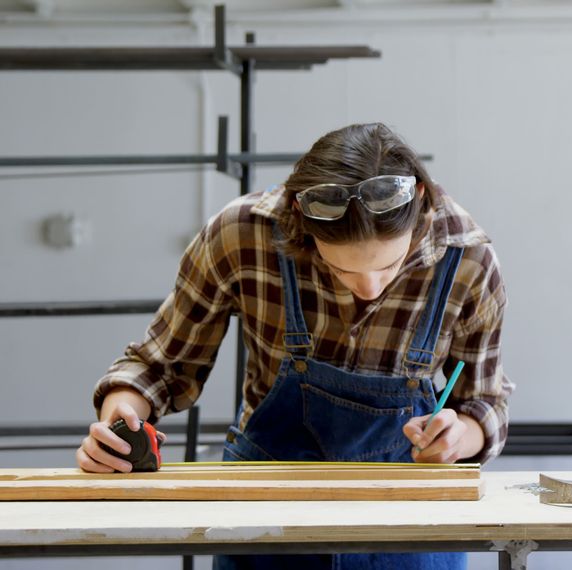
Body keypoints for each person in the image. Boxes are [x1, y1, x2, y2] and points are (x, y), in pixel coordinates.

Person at [76, 122, 513, 570]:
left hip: (408, 519)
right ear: (301, 223)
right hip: (265, 513)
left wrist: (460, 435)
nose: (368, 289)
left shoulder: (468, 258)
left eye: (389, 266)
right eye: (342, 270)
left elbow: (484, 402)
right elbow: (160, 365)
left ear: (419, 200)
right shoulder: (241, 236)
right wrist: (118, 422)